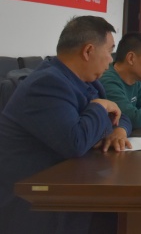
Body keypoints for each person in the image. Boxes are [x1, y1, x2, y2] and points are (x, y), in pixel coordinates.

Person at [0, 16, 131, 234]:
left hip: (73, 182)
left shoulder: (88, 81)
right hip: (37, 201)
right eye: (110, 51)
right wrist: (100, 107)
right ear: (88, 51)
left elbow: (119, 114)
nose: (111, 60)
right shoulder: (47, 84)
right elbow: (75, 142)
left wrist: (119, 130)